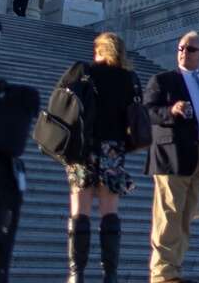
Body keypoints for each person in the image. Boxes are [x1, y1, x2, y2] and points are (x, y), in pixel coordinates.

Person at [144, 31, 199, 283]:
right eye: (181, 47)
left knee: (187, 214)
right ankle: (162, 274)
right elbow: (147, 111)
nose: (183, 52)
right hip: (172, 155)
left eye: (190, 49)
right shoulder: (164, 79)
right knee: (168, 213)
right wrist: (171, 110)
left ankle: (174, 268)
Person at [60, 32, 138, 283]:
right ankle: (110, 275)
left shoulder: (83, 72)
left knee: (80, 211)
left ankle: (76, 274)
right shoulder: (129, 78)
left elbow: (61, 102)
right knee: (109, 212)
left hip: (82, 150)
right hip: (112, 150)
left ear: (100, 50)